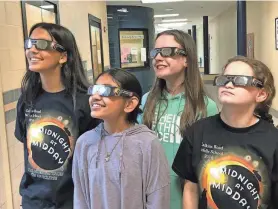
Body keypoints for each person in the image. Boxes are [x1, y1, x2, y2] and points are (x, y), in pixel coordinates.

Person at [172, 56, 278, 209]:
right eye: (224, 79)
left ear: (261, 94)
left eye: (240, 80)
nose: (228, 84)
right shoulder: (198, 131)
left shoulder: (273, 140)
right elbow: (191, 187)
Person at [14, 22, 99, 209]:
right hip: (34, 200)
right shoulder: (27, 99)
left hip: (74, 201)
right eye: (30, 43)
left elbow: (95, 158)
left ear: (63, 56)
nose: (32, 50)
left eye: (42, 44)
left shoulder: (85, 102)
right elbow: (28, 147)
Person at [140, 29, 218, 208]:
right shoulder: (146, 101)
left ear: (186, 59)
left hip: (184, 198)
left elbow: (207, 164)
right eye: (155, 52)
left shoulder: (205, 106)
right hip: (148, 195)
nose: (158, 57)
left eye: (167, 51)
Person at [73, 68, 170, 209]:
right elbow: (80, 199)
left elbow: (158, 200)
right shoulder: (84, 143)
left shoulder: (148, 144)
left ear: (130, 104)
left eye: (105, 91)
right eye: (94, 90)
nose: (95, 97)